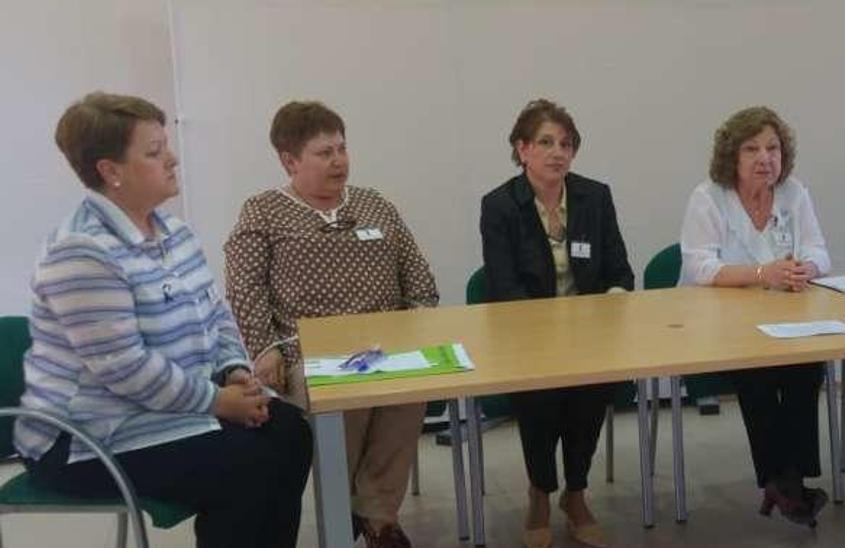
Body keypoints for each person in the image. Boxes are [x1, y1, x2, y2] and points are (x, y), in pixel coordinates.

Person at [17, 92, 312, 548]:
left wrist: (235, 372)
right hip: (87, 436)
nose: (172, 159)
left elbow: (216, 315)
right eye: (154, 152)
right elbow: (125, 368)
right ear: (110, 171)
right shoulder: (81, 251)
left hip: (167, 408)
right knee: (246, 464)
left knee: (289, 432)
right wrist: (218, 401)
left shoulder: (175, 233)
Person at [224, 100, 440, 547]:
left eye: (342, 148)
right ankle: (346, 515)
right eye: (325, 153)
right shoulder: (263, 211)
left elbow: (416, 273)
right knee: (349, 397)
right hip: (307, 352)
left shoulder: (373, 203)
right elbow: (244, 288)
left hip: (388, 345)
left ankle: (377, 515)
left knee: (412, 390)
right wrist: (265, 349)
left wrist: (421, 318)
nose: (339, 160)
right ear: (290, 160)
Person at [480, 99, 633, 548]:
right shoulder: (500, 206)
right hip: (528, 338)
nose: (557, 153)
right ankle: (540, 493)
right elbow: (504, 287)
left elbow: (620, 272)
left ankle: (577, 492)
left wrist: (612, 303)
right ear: (522, 149)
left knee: (591, 393)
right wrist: (549, 333)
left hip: (590, 337)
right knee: (541, 401)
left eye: (566, 144)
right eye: (545, 142)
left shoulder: (594, 196)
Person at [678, 105, 831, 526]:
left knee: (806, 365)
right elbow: (700, 268)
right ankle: (783, 481)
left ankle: (790, 479)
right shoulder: (708, 197)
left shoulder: (794, 192)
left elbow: (819, 251)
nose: (765, 158)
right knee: (758, 370)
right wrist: (764, 273)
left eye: (773, 148)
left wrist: (806, 268)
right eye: (752, 149)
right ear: (732, 156)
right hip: (721, 323)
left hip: (788, 319)